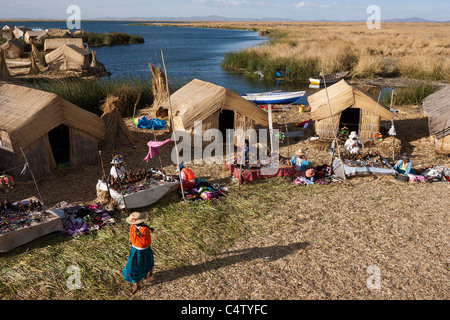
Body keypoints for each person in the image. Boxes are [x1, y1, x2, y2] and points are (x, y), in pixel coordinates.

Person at [122, 211, 155, 295]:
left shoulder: (145, 229)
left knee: (147, 261)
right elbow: (131, 235)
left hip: (143, 250)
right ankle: (136, 284)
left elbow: (145, 241)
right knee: (133, 267)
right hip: (134, 249)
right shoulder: (133, 226)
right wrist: (131, 240)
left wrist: (138, 234)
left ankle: (149, 272)